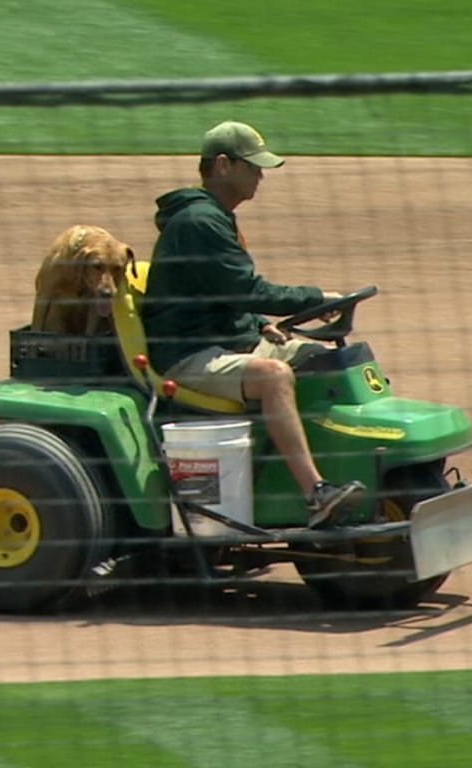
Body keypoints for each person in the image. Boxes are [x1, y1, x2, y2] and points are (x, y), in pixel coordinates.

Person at [141, 120, 366, 528]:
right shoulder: (199, 222)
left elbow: (223, 296)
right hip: (188, 356)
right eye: (254, 166)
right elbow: (247, 289)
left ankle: (309, 474)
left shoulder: (214, 217)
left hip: (222, 343)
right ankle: (315, 493)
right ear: (224, 165)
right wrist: (317, 298)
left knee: (322, 360)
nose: (261, 176)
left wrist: (258, 326)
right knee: (274, 376)